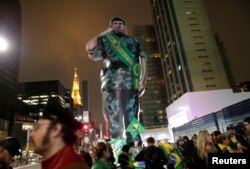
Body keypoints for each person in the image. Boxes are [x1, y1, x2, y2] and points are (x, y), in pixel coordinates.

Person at [86, 16, 147, 143]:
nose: (118, 25)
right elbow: (90, 48)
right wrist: (104, 32)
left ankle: (136, 146)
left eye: (120, 23)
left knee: (133, 119)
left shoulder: (134, 41)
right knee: (114, 120)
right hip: (110, 85)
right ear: (110, 26)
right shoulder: (104, 40)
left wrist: (143, 81)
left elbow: (143, 60)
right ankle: (118, 151)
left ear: (125, 27)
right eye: (114, 23)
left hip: (131, 84)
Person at [29, 98, 88, 169]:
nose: (31, 134)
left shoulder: (72, 166)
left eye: (37, 128)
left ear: (56, 129)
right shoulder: (65, 164)